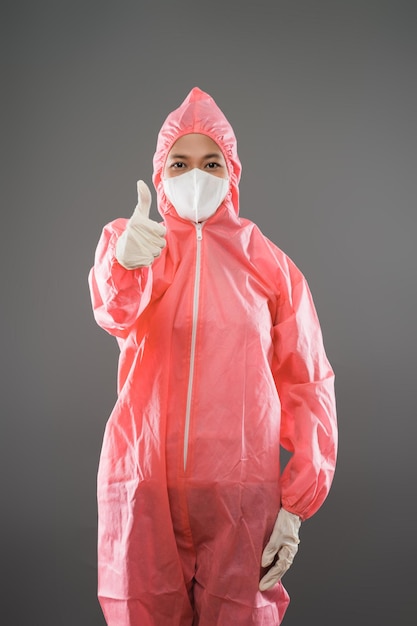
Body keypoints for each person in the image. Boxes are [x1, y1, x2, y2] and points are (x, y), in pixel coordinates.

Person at [88, 86, 338, 626]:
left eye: (210, 162)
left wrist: (296, 504)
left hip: (240, 497)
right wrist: (124, 262)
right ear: (160, 174)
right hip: (143, 484)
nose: (195, 175)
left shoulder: (269, 265)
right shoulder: (138, 244)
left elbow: (307, 380)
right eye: (180, 162)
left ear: (232, 172)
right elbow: (113, 312)